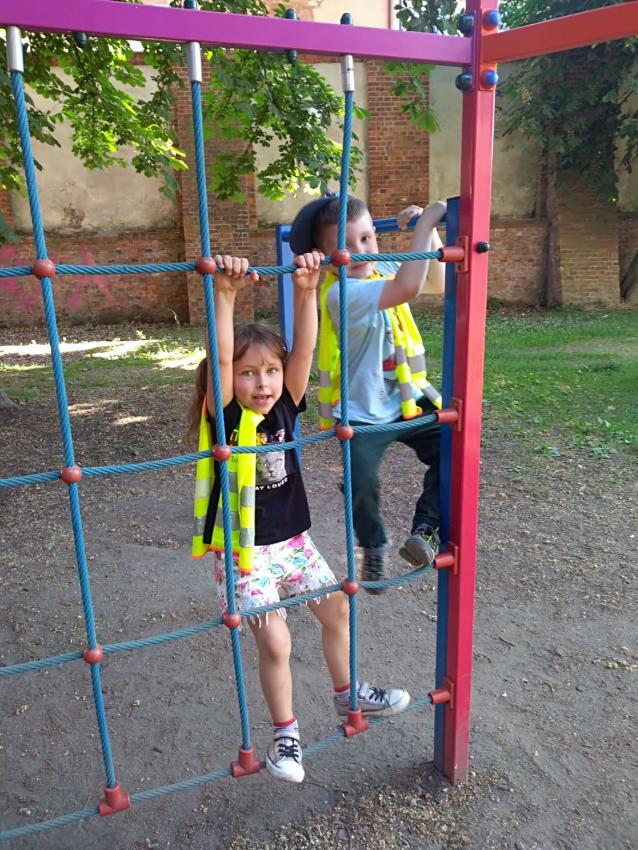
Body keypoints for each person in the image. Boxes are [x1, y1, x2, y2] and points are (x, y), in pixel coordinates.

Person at [188, 254, 411, 784]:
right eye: (248, 373)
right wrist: (225, 297)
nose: (262, 382)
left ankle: (348, 693)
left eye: (270, 370)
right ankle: (285, 737)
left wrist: (308, 291)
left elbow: (305, 350)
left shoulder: (286, 405)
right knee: (276, 640)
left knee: (337, 610)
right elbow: (221, 362)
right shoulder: (226, 414)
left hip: (292, 541)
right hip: (242, 549)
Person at [289, 194, 447, 592]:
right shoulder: (340, 294)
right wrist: (427, 223)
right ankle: (373, 546)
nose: (359, 251)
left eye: (366, 238)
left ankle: (427, 529)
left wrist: (427, 233)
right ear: (327, 257)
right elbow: (408, 288)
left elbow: (436, 281)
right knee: (360, 482)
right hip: (362, 411)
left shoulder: (381, 270)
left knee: (455, 448)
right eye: (345, 245)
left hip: (407, 398)